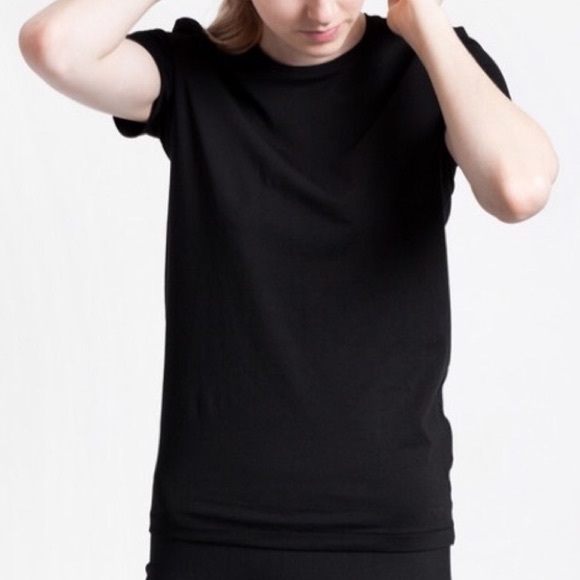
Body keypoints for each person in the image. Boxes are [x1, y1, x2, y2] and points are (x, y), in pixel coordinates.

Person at [19, 1, 559, 579]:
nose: (321, 10)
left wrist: (421, 16)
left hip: (387, 532)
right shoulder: (194, 72)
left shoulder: (431, 67)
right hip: (213, 530)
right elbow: (55, 47)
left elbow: (519, 189)